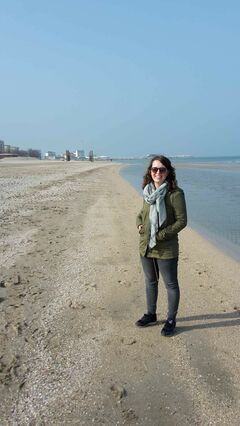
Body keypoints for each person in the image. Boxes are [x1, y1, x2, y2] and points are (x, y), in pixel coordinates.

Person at [136, 155, 187, 336]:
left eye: (162, 169)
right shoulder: (147, 191)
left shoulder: (175, 194)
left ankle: (171, 319)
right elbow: (141, 213)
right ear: (150, 172)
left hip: (166, 247)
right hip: (146, 245)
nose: (158, 172)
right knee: (150, 282)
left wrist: (161, 235)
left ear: (168, 172)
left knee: (171, 284)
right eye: (154, 169)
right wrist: (139, 224)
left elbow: (182, 221)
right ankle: (151, 314)